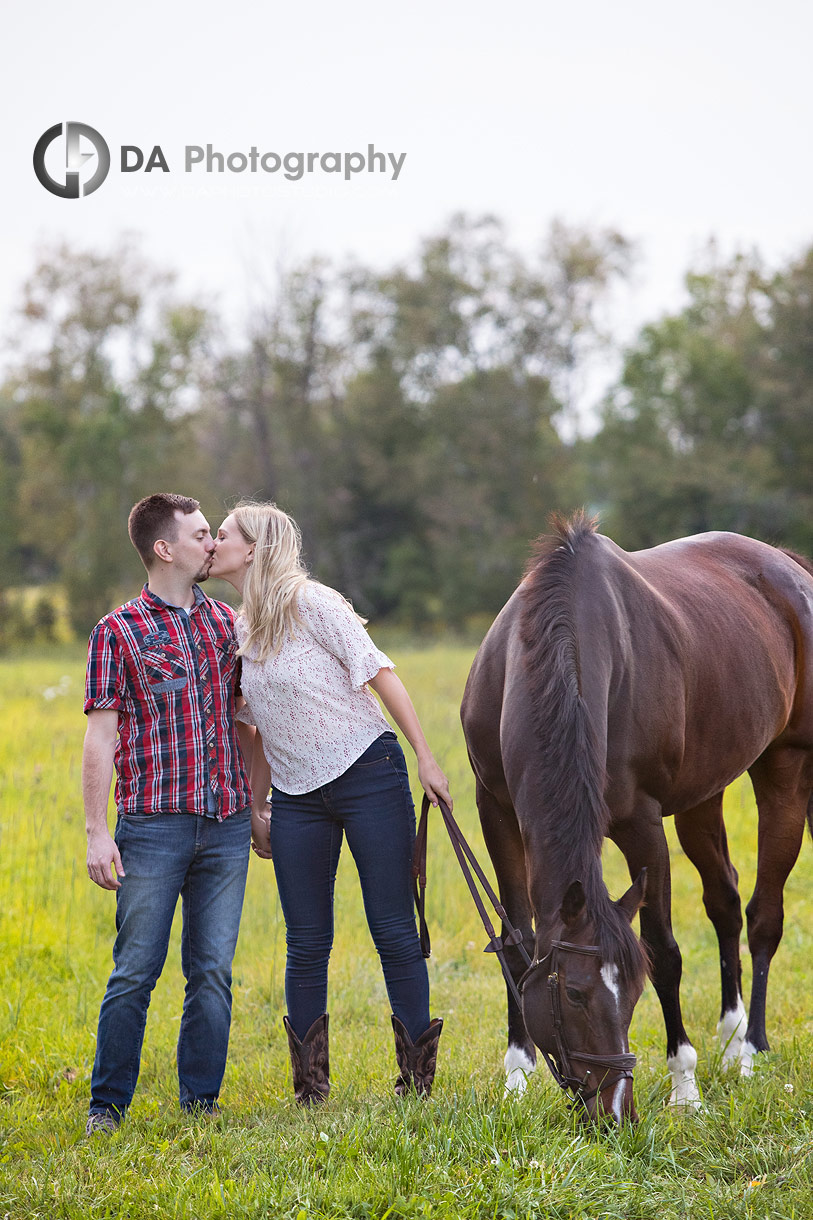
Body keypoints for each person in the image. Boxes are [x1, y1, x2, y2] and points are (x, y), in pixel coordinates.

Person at [208, 501, 451, 1104]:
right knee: (307, 940)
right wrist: (259, 806)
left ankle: (416, 1082)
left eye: (223, 534)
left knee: (393, 929)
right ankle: (310, 1087)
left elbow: (380, 673)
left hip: (368, 773)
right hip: (296, 798)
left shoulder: (314, 603)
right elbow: (258, 726)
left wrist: (425, 756)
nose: (213, 542)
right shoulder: (239, 627)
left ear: (255, 548)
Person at [82, 493, 253, 1133]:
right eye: (203, 534)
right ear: (166, 548)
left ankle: (200, 1104)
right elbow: (100, 738)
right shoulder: (117, 630)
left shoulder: (224, 624)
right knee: (136, 971)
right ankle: (107, 1107)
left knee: (211, 972)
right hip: (151, 827)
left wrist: (257, 806)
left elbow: (245, 721)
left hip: (226, 823)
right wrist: (98, 833)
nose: (214, 544)